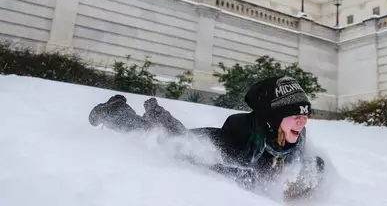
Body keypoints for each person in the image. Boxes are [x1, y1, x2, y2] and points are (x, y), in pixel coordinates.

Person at [88, 76, 325, 199]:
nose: (302, 121)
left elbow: (300, 164)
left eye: (305, 115)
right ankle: (114, 112)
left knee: (163, 134)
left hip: (222, 156)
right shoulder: (247, 132)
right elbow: (242, 174)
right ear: (273, 117)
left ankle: (122, 112)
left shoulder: (295, 137)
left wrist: (305, 181)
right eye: (294, 115)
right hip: (205, 146)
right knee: (159, 138)